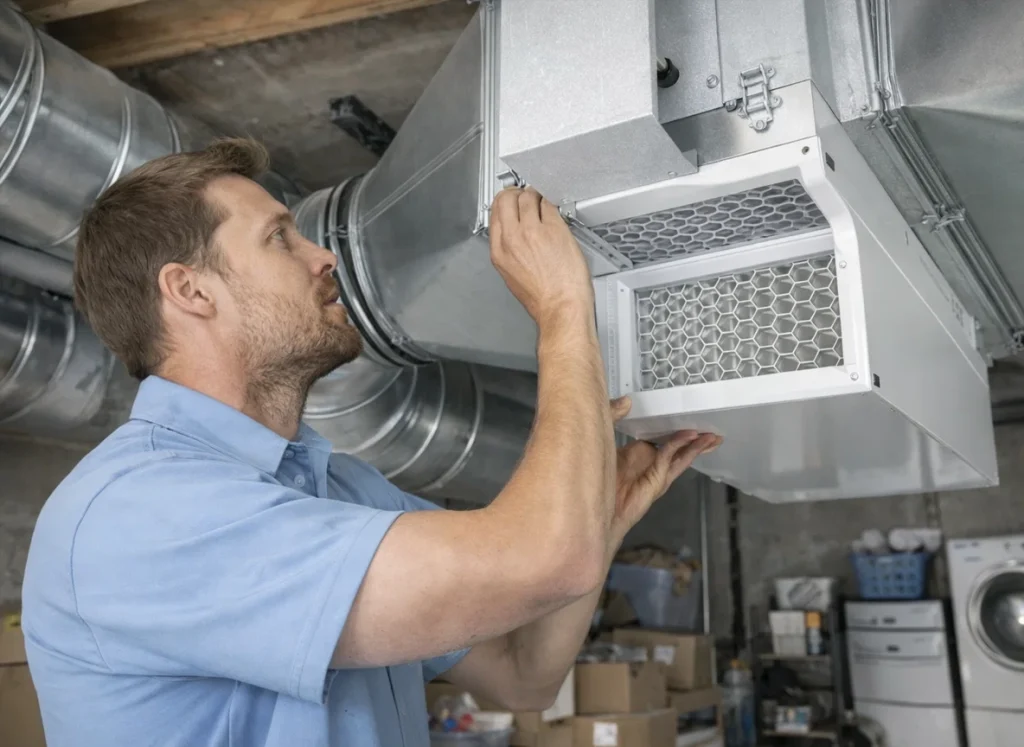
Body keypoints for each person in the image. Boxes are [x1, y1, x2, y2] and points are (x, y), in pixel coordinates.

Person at [21, 139, 721, 746]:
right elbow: (546, 559)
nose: (322, 255)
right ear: (191, 290)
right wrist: (565, 308)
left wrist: (601, 518)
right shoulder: (138, 514)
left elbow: (521, 673)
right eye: (278, 238)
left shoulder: (341, 492)